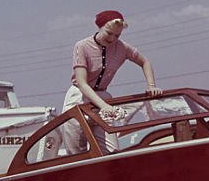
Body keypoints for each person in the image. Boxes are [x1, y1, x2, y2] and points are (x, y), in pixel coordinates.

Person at [62, 9, 162, 152]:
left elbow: (145, 61)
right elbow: (82, 82)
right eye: (109, 33)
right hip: (79, 96)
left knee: (111, 149)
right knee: (76, 150)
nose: (112, 39)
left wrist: (151, 86)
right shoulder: (82, 46)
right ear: (100, 27)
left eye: (117, 35)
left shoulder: (122, 47)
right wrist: (103, 106)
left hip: (103, 96)